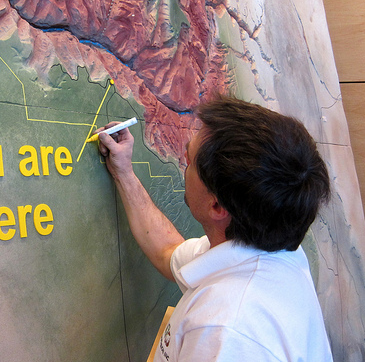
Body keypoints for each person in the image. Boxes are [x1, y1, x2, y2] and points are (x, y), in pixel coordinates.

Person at [97, 96, 333, 362]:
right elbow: (168, 252)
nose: (184, 163)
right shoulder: (272, 252)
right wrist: (124, 172)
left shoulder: (225, 333)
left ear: (218, 206)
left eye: (189, 160)